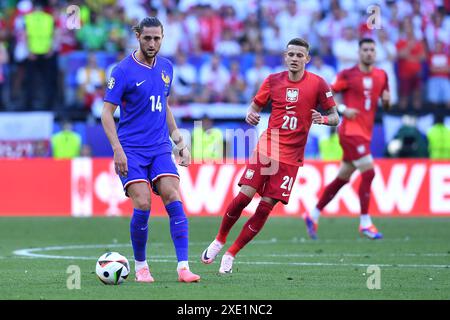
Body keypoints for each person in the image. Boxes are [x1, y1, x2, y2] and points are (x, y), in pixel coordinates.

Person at [200, 38, 339, 274]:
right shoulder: (273, 80)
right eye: (290, 54)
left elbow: (335, 116)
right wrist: (250, 115)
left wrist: (323, 119)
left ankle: (231, 253)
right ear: (285, 57)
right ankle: (219, 240)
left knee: (265, 208)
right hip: (267, 147)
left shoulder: (318, 84)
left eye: (299, 55)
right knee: (245, 196)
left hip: (291, 157)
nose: (294, 59)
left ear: (307, 58)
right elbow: (254, 107)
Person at [101, 17, 200, 283]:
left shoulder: (167, 67)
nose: (152, 43)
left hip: (159, 148)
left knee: (172, 195)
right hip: (131, 149)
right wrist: (117, 149)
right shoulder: (122, 71)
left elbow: (164, 107)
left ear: (163, 37)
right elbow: (106, 114)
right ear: (137, 36)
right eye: (147, 38)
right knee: (143, 202)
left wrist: (179, 142)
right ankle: (141, 266)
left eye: (157, 38)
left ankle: (183, 268)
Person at [303, 38, 390, 240]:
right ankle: (365, 223)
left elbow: (386, 103)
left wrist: (386, 101)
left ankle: (312, 214)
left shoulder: (382, 75)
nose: (369, 53)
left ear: (375, 54)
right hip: (350, 132)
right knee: (369, 173)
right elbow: (327, 95)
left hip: (365, 134)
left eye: (372, 50)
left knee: (342, 178)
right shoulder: (348, 74)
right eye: (365, 49)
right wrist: (342, 109)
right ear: (359, 52)